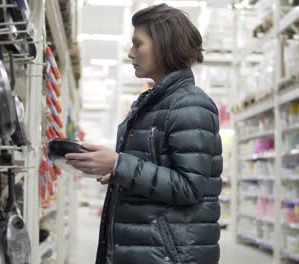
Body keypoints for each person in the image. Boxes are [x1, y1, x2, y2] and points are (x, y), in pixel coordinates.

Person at [65, 3, 222, 264]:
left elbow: (190, 187)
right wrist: (118, 173)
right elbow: (158, 168)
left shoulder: (190, 104)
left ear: (163, 44)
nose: (130, 53)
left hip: (170, 256)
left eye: (138, 44)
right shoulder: (155, 102)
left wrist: (119, 164)